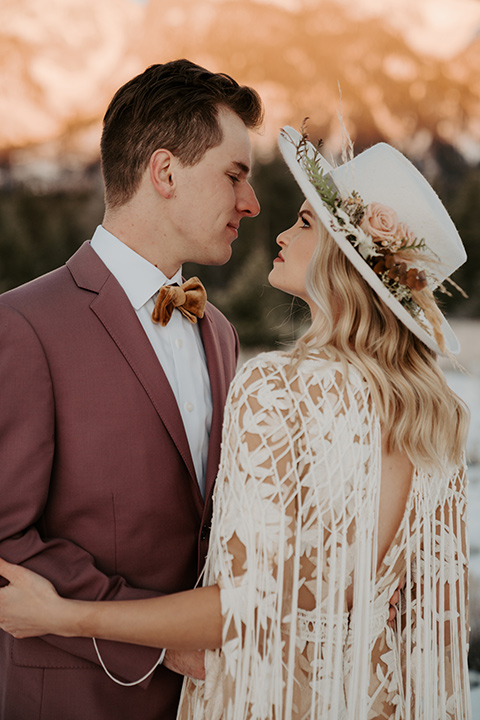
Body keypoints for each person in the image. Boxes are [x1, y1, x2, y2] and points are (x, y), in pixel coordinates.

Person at [0, 124, 471, 719]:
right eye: (234, 176)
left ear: (345, 257)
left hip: (261, 699)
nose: (270, 224)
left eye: (303, 222)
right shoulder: (438, 417)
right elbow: (433, 621)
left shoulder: (274, 383)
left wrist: (65, 614)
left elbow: (248, 606)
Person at [0, 59, 263, 720]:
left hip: (209, 699)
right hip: (73, 697)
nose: (250, 204)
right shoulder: (24, 325)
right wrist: (159, 638)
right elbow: (5, 540)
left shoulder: (220, 333)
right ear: (165, 172)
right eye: (235, 175)